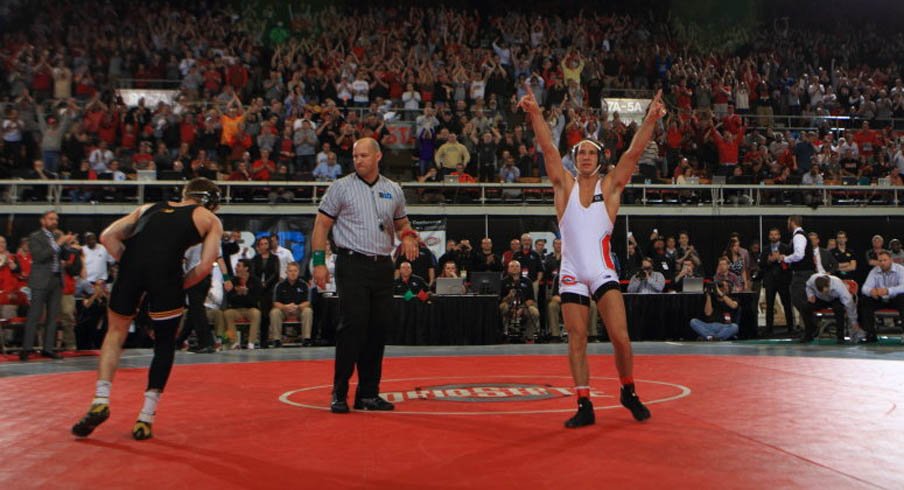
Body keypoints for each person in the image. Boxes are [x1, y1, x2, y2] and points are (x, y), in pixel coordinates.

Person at [519, 84, 665, 427]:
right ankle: (584, 403)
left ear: (600, 160)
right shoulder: (563, 185)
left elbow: (634, 151)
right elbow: (546, 147)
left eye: (591, 153)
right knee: (578, 339)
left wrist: (651, 119)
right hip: (571, 270)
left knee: (620, 337)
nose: (584, 157)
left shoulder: (610, 187)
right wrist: (535, 112)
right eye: (580, 152)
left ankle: (628, 390)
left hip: (601, 271)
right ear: (575, 159)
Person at [71, 178, 223, 440]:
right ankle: (145, 418)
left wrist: (132, 263)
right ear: (211, 201)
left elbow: (108, 236)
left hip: (131, 269)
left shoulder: (149, 207)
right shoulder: (209, 219)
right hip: (166, 276)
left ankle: (101, 398)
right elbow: (206, 265)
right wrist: (179, 282)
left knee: (115, 333)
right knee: (164, 344)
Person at [311, 137, 419, 414]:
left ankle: (368, 394)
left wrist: (407, 235)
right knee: (352, 327)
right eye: (355, 156)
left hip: (383, 265)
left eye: (363, 155)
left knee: (377, 329)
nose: (358, 160)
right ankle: (339, 392)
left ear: (378, 157)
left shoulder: (393, 189)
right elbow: (322, 224)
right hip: (352, 263)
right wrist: (319, 262)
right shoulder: (341, 187)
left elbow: (402, 222)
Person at [20, 211, 74, 361]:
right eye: (51, 219)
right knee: (34, 315)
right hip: (40, 280)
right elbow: (39, 256)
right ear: (42, 221)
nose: (54, 221)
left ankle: (48, 348)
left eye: (56, 219)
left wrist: (67, 245)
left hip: (56, 280)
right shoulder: (35, 236)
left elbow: (63, 257)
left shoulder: (57, 237)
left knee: (53, 317)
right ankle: (27, 348)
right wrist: (59, 244)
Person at [779, 215, 818, 342]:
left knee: (799, 300)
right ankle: (810, 329)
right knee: (801, 301)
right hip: (803, 273)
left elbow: (799, 255)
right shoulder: (800, 235)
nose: (787, 225)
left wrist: (785, 258)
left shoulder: (799, 236)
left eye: (788, 222)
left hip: (802, 274)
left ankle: (811, 327)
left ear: (792, 222)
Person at [804, 273, 865, 344]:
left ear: (829, 284)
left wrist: (853, 321)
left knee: (839, 309)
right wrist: (810, 295)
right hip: (820, 299)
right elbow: (808, 286)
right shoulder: (812, 279)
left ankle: (840, 337)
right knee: (806, 308)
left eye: (826, 291)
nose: (824, 293)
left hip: (835, 299)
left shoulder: (838, 285)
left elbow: (849, 304)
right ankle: (809, 333)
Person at [859, 250, 904, 343]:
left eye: (885, 260)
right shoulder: (874, 271)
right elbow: (865, 288)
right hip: (879, 299)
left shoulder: (900, 269)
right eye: (880, 261)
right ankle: (870, 334)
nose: (882, 263)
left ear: (891, 260)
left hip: (895, 298)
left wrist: (888, 290)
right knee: (865, 300)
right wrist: (871, 291)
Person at [759, 228, 794, 335]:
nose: (773, 236)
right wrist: (769, 260)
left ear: (779, 236)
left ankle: (791, 328)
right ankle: (769, 328)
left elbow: (791, 263)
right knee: (769, 305)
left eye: (775, 234)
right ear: (769, 236)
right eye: (771, 234)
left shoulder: (786, 248)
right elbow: (761, 264)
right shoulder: (765, 249)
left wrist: (780, 259)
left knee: (787, 304)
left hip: (783, 280)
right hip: (770, 280)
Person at [270, 262, 313, 347]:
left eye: (295, 271)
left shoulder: (304, 285)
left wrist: (298, 306)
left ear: (298, 272)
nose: (293, 273)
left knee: (308, 310)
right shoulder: (279, 285)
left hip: (298, 310)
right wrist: (285, 307)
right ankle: (277, 340)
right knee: (274, 312)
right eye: (290, 271)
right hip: (284, 310)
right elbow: (275, 303)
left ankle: (306, 339)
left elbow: (308, 302)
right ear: (286, 272)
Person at [500, 260, 540, 341]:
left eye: (517, 266)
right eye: (512, 266)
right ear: (508, 269)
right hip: (508, 305)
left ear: (520, 269)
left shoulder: (527, 281)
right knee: (502, 307)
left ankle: (528, 336)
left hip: (524, 306)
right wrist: (509, 296)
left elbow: (531, 299)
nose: (514, 268)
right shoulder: (503, 282)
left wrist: (521, 308)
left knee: (534, 312)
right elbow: (500, 299)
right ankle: (503, 334)